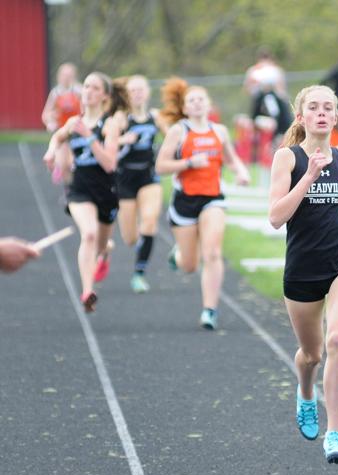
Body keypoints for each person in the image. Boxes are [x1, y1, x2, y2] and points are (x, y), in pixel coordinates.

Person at [268, 85, 338, 464]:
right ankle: (304, 393)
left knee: (337, 338)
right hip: (302, 270)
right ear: (301, 117)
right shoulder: (287, 158)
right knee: (311, 355)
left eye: (328, 107)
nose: (321, 112)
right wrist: (309, 176)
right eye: (313, 107)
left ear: (335, 118)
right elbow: (275, 217)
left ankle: (334, 433)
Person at [156, 78, 250, 330]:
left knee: (212, 253)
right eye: (191, 100)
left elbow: (231, 159)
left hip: (213, 199)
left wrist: (241, 172)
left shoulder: (219, 131)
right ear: (185, 108)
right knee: (189, 265)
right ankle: (179, 254)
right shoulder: (179, 131)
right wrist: (188, 163)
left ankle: (210, 310)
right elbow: (161, 166)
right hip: (185, 201)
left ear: (209, 105)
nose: (197, 104)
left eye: (201, 100)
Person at [43, 72, 125, 312]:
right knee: (88, 234)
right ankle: (88, 291)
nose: (88, 91)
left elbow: (110, 163)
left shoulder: (110, 125)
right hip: (80, 190)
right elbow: (57, 139)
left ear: (105, 96)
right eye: (86, 86)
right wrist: (50, 152)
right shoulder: (73, 123)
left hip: (106, 191)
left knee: (100, 243)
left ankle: (105, 251)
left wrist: (89, 137)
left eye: (95, 88)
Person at [116, 75, 164, 293]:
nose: (137, 93)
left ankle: (139, 273)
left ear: (147, 92)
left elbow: (176, 134)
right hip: (125, 178)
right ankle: (138, 249)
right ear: (127, 94)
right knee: (129, 237)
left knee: (150, 221)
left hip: (148, 176)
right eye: (132, 90)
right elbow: (105, 142)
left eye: (140, 89)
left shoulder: (155, 116)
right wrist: (122, 140)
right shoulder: (121, 118)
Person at [41, 63, 83, 185]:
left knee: (72, 163)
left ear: (74, 76)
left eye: (69, 75)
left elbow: (86, 110)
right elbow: (46, 114)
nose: (66, 78)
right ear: (59, 76)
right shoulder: (56, 93)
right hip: (62, 131)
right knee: (63, 164)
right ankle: (68, 190)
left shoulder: (79, 91)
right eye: (64, 75)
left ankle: (76, 187)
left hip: (77, 131)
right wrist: (50, 122)